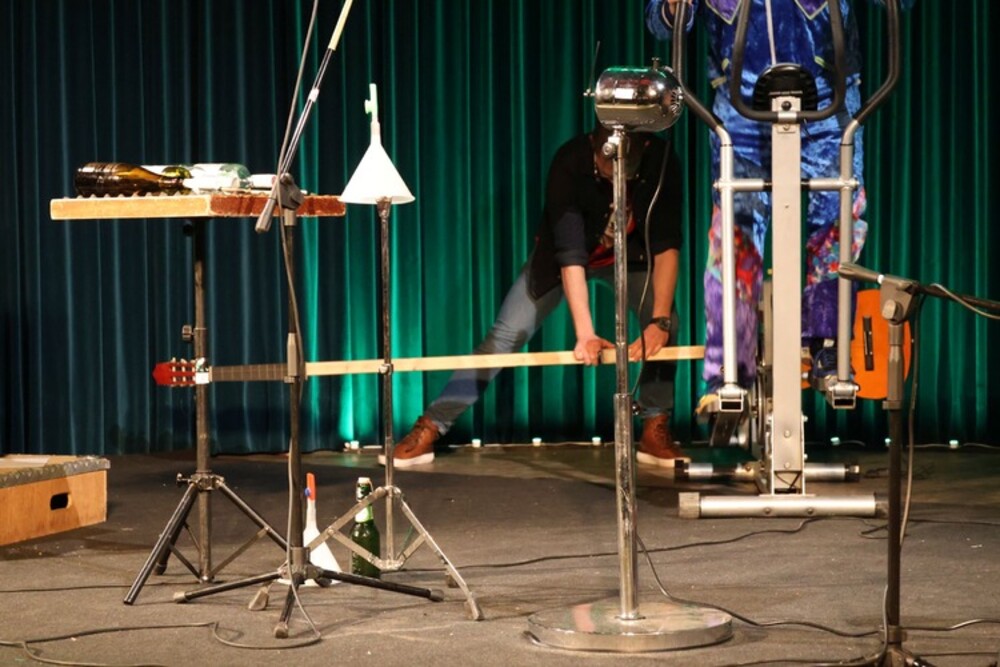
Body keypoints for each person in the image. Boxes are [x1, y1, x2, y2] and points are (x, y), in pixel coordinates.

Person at [646, 0, 913, 406]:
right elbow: (661, 23)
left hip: (827, 99)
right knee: (736, 232)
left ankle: (827, 344)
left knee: (836, 222)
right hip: (741, 103)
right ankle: (729, 367)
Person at [388, 124, 686, 468]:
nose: (616, 174)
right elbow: (570, 256)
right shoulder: (569, 162)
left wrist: (659, 321)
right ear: (595, 146)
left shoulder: (660, 160)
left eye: (626, 169)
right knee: (505, 336)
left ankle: (654, 426)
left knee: (667, 324)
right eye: (608, 167)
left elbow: (666, 245)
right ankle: (433, 423)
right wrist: (585, 333)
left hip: (631, 258)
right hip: (559, 262)